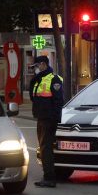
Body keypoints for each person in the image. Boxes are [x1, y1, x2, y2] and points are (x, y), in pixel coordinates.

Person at [29, 55, 64, 188]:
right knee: (43, 147)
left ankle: (49, 178)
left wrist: (54, 118)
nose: (35, 69)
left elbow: (58, 101)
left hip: (49, 119)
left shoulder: (53, 79)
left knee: (46, 148)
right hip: (41, 117)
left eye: (36, 66)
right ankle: (48, 176)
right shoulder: (40, 79)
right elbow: (35, 98)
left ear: (43, 64)